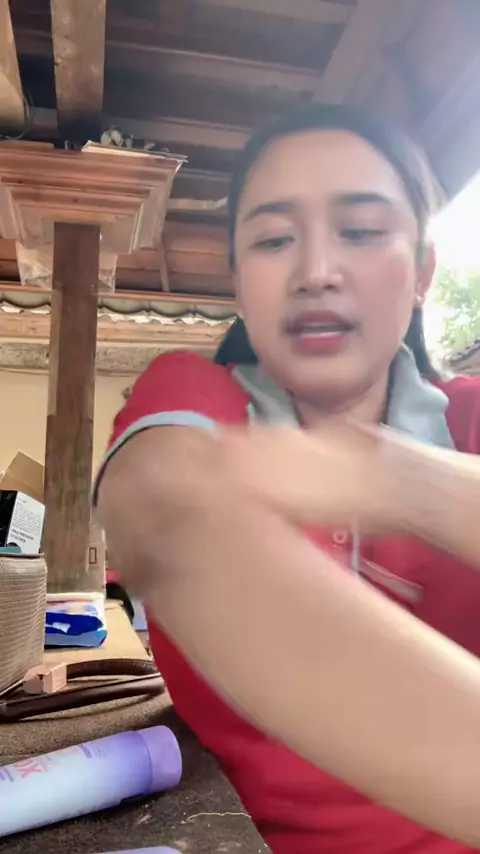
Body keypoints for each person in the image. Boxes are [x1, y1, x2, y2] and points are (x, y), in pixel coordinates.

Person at [96, 106, 480, 853]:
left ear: (422, 272)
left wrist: (397, 476)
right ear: (238, 283)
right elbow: (167, 515)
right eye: (274, 240)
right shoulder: (191, 402)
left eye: (360, 231)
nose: (316, 273)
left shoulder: (470, 419)